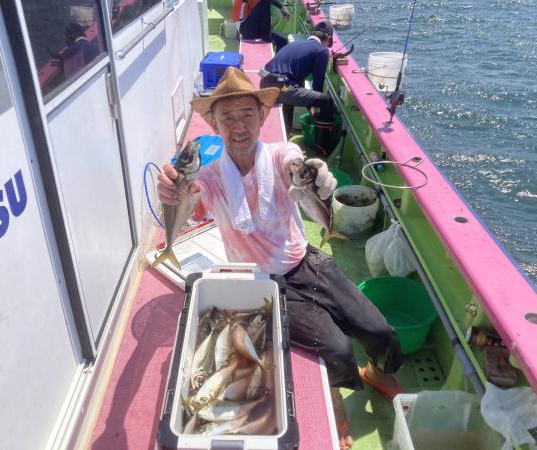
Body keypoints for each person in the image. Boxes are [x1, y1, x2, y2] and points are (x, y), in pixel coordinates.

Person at [157, 67, 402, 450]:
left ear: (263, 116)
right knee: (337, 350)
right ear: (213, 124)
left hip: (308, 262)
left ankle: (377, 371)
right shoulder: (211, 178)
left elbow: (294, 162)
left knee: (380, 330)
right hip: (264, 284)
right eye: (227, 117)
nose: (239, 126)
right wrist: (174, 193)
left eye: (247, 114)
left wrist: (314, 173)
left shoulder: (278, 155)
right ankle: (336, 400)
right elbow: (192, 201)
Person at [259, 21, 336, 154]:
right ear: (328, 38)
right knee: (326, 101)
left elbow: (298, 82)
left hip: (266, 83)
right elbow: (318, 84)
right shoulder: (322, 50)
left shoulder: (295, 44)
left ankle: (287, 132)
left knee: (292, 92)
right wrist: (314, 105)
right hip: (281, 89)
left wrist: (309, 105)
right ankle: (323, 149)